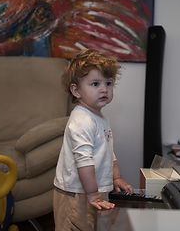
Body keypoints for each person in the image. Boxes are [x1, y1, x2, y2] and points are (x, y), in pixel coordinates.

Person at [53, 49, 134, 230]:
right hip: (77, 193)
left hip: (94, 190)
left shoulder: (100, 118)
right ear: (76, 90)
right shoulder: (81, 121)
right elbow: (84, 161)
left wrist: (116, 177)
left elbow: (107, 151)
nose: (104, 89)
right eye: (95, 83)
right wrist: (92, 194)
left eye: (108, 83)